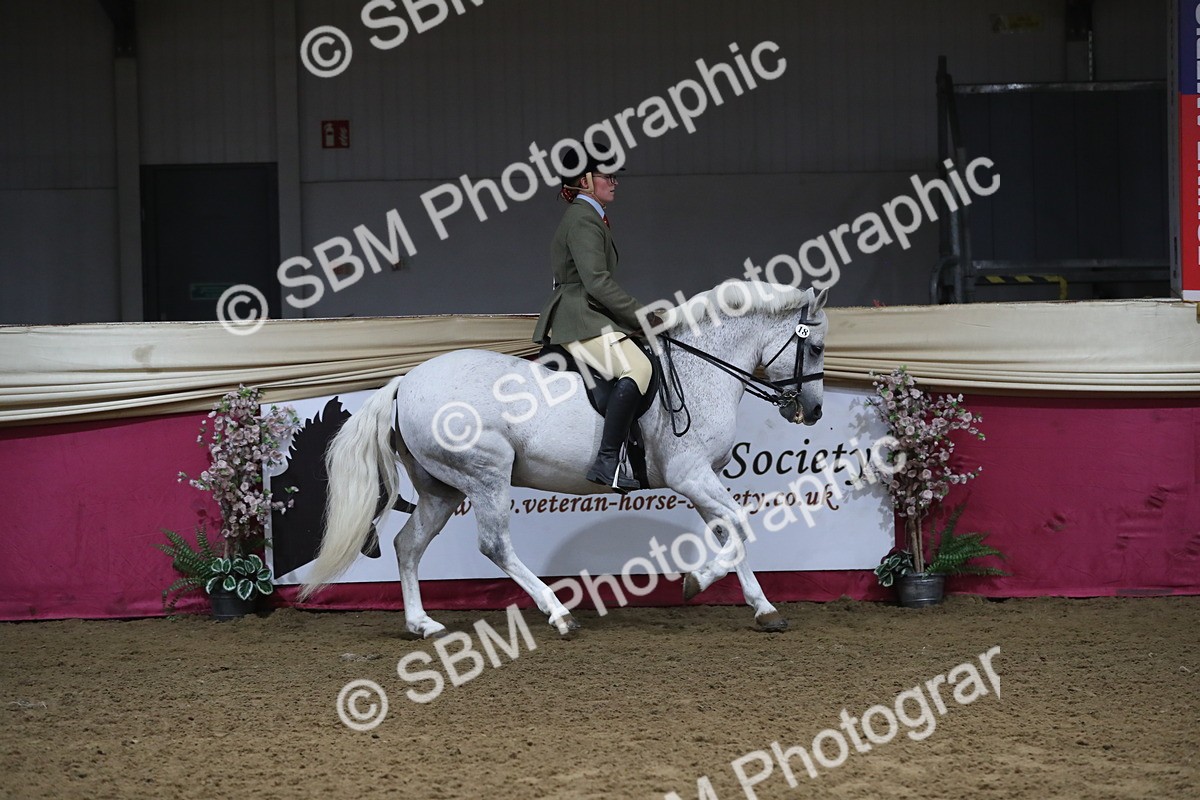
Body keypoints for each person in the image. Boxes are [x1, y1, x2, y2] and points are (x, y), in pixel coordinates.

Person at [532, 155, 660, 492]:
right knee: (639, 368)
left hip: (589, 313)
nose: (615, 182)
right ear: (586, 181)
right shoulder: (583, 219)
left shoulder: (590, 216)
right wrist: (643, 317)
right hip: (579, 316)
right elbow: (597, 283)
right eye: (608, 176)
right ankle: (606, 461)